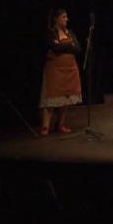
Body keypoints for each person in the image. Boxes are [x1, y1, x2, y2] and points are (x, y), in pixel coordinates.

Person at [38, 8, 83, 136]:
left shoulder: (70, 32)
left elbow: (78, 48)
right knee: (51, 98)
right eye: (63, 17)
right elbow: (55, 48)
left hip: (70, 68)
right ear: (56, 19)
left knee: (65, 97)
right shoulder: (51, 33)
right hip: (55, 69)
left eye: (66, 17)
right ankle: (46, 126)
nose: (66, 19)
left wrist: (64, 46)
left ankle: (60, 124)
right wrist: (69, 46)